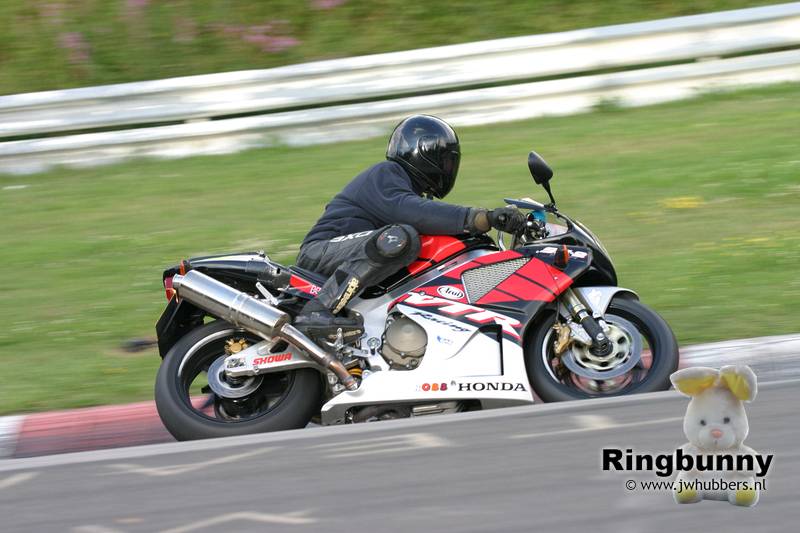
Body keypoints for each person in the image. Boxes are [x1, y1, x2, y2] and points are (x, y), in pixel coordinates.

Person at [294, 114, 526, 337]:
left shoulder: (406, 190)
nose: (448, 168)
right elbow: (415, 212)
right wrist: (483, 218)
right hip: (320, 251)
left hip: (351, 256)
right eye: (446, 161)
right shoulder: (385, 174)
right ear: (425, 154)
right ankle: (318, 310)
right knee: (401, 237)